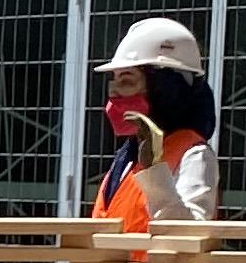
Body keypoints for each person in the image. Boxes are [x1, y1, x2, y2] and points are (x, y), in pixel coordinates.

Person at [93, 16, 222, 229]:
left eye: (126, 80)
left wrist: (154, 172)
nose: (114, 93)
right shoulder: (126, 159)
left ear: (164, 89)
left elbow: (190, 236)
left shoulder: (195, 156)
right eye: (113, 82)